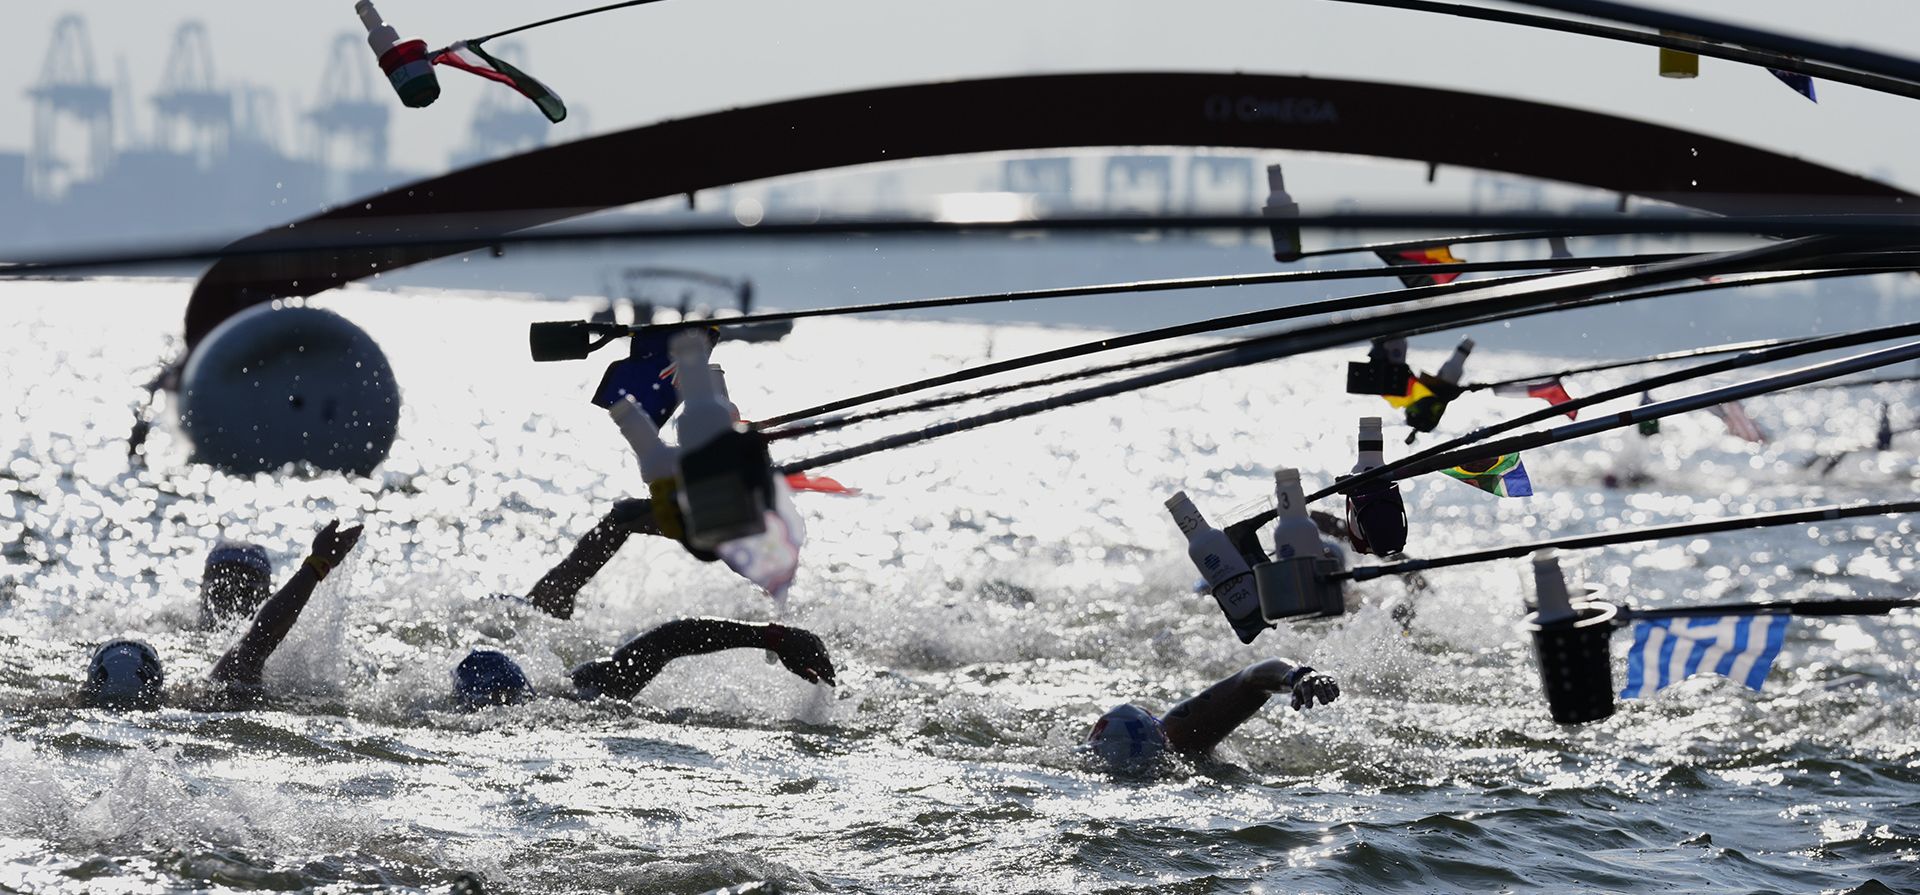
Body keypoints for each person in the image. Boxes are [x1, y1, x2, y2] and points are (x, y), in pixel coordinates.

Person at [81, 521, 364, 710]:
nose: (233, 592)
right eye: (223, 585)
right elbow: (259, 637)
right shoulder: (205, 698)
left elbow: (257, 638)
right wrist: (316, 565)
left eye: (247, 583)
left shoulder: (68, 706)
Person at [450, 617, 835, 707]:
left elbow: (668, 640)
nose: (499, 707)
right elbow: (668, 642)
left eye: (504, 698)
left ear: (523, 689)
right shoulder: (582, 699)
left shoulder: (584, 691)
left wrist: (771, 636)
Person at [1084, 658, 1339, 769]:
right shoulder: (1177, 735)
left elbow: (1252, 678)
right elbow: (1250, 678)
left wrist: (1298, 675)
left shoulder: (1184, 735)